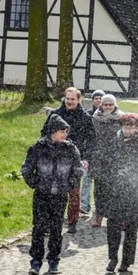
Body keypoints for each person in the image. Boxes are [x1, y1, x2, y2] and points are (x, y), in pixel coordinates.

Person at [22, 114, 83, 275]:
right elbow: (27, 168)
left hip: (60, 195)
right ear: (53, 131)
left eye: (66, 132)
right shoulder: (37, 148)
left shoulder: (70, 149)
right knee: (39, 228)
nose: (65, 135)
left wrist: (69, 184)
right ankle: (35, 261)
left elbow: (78, 170)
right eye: (62, 132)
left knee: (56, 228)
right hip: (42, 195)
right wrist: (35, 183)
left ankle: (53, 260)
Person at [106, 114, 138, 273]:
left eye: (131, 127)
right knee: (113, 228)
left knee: (131, 229)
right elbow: (106, 165)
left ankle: (126, 261)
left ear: (136, 128)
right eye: (126, 127)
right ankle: (113, 258)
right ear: (121, 127)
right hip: (116, 192)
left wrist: (137, 177)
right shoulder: (114, 144)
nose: (128, 130)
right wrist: (114, 176)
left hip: (134, 193)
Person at [41, 87, 95, 235]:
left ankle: (72, 222)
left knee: (73, 193)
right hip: (54, 159)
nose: (69, 102)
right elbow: (44, 133)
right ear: (64, 98)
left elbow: (91, 140)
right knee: (51, 193)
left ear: (79, 100)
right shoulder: (55, 115)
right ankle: (49, 223)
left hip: (74, 160)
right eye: (67, 98)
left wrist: (86, 158)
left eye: (73, 99)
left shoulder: (85, 118)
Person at [89, 94, 123, 227]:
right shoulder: (95, 119)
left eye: (110, 104)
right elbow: (91, 137)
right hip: (99, 158)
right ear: (101, 105)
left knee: (116, 188)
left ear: (115, 105)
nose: (108, 107)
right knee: (99, 189)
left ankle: (116, 216)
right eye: (105, 104)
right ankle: (98, 214)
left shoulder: (121, 118)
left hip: (115, 159)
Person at [81, 89, 105, 214]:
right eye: (96, 98)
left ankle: (99, 206)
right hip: (89, 152)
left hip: (102, 153)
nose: (98, 100)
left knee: (100, 183)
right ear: (92, 100)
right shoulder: (87, 115)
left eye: (100, 98)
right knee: (86, 179)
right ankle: (84, 205)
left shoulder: (107, 115)